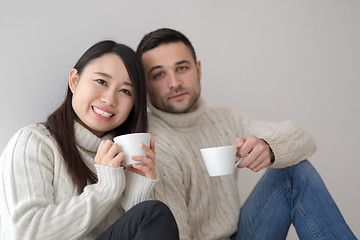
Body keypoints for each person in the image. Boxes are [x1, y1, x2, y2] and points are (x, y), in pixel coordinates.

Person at [136, 28, 356, 239]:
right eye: (158, 75)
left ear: (198, 69)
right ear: (145, 85)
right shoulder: (150, 142)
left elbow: (305, 139)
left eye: (182, 68)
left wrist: (269, 148)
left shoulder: (226, 119)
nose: (174, 83)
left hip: (239, 235)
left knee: (294, 171)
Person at [0, 40, 179, 240]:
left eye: (125, 91)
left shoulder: (124, 157)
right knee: (152, 212)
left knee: (152, 213)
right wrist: (106, 190)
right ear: (74, 81)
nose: (110, 99)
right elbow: (25, 234)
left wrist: (136, 194)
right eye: (102, 81)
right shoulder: (34, 142)